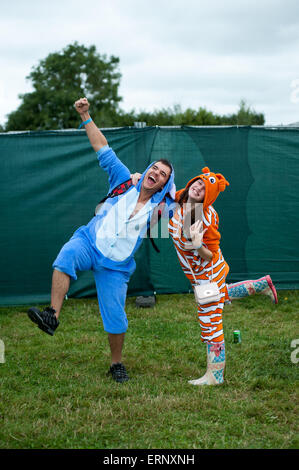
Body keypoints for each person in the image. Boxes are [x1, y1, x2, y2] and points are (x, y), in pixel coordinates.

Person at [27, 97, 175, 383]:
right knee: (66, 257)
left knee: (116, 316)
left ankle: (116, 364)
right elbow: (102, 147)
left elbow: (185, 202)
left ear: (166, 184)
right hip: (90, 241)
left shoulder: (162, 208)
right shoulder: (122, 179)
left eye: (163, 174)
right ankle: (52, 316)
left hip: (116, 266)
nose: (155, 173)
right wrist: (85, 115)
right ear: (146, 171)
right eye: (154, 168)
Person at [169, 169, 277, 386]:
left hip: (208, 274)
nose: (198, 188)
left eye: (203, 189)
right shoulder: (182, 200)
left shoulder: (203, 217)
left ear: (207, 197)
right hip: (202, 275)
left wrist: (198, 244)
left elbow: (210, 255)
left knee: (211, 321)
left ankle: (215, 375)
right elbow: (171, 192)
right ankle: (261, 285)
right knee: (221, 295)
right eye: (197, 183)